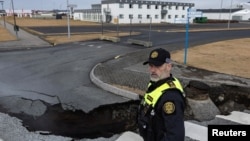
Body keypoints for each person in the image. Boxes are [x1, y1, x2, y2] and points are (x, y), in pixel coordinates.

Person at [137, 48, 186, 141]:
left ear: (169, 66)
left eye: (157, 66)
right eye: (151, 65)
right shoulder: (157, 83)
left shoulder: (170, 98)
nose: (153, 70)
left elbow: (175, 137)